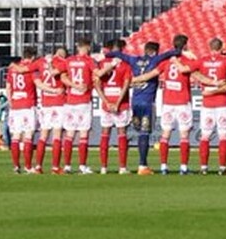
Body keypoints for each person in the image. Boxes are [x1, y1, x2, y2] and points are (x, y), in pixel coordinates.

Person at [106, 35, 187, 175]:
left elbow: (118, 54)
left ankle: (137, 163)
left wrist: (108, 54)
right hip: (148, 102)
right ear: (155, 51)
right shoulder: (155, 60)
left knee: (138, 132)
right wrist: (180, 50)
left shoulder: (134, 60)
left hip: (135, 102)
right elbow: (172, 53)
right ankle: (142, 165)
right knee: (144, 134)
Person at [194, 38, 226, 175]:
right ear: (221, 47)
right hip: (222, 101)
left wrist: (207, 81)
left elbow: (192, 72)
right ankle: (222, 168)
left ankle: (204, 168)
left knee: (205, 135)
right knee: (223, 135)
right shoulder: (225, 60)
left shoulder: (202, 60)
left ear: (209, 47)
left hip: (207, 102)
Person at [95, 40, 133, 175]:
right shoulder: (125, 64)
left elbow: (97, 84)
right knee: (121, 133)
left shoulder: (102, 63)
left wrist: (105, 101)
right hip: (120, 104)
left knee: (105, 134)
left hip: (107, 103)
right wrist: (117, 103)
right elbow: (126, 85)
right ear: (121, 49)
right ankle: (122, 168)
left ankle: (103, 167)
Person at [60, 39, 98, 174]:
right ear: (86, 47)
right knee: (83, 134)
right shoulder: (89, 61)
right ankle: (82, 166)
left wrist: (73, 85)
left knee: (69, 134)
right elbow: (97, 74)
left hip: (70, 101)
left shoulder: (69, 60)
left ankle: (67, 166)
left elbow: (63, 77)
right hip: (83, 100)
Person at [31, 46, 67, 174]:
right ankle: (55, 167)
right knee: (56, 135)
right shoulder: (63, 63)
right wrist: (56, 90)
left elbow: (38, 83)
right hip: (58, 102)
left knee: (43, 135)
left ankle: (38, 167)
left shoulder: (40, 62)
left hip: (46, 102)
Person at [5, 47, 39, 174]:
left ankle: (15, 166)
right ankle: (28, 166)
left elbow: (8, 88)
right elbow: (38, 84)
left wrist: (11, 102)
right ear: (33, 57)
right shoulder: (31, 69)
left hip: (15, 106)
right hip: (28, 104)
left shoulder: (13, 69)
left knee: (16, 136)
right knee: (28, 135)